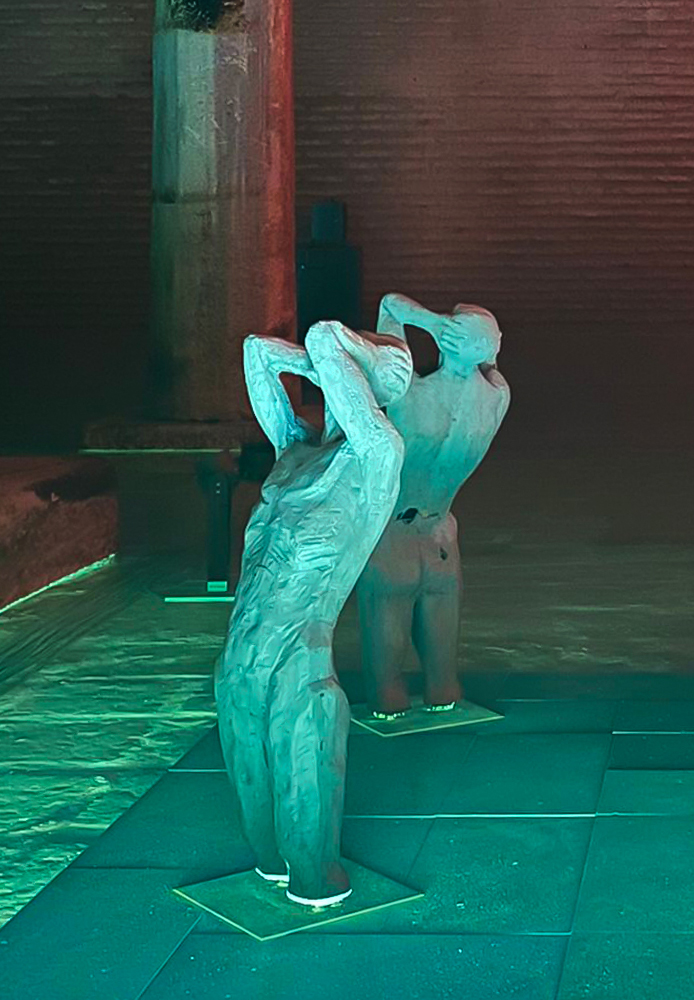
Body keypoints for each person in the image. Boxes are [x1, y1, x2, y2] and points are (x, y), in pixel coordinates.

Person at [215, 321, 413, 907]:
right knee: (257, 810)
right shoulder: (294, 451)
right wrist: (331, 365)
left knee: (306, 802)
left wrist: (341, 357)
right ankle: (274, 864)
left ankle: (315, 877)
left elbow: (326, 337)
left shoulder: (377, 460)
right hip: (239, 656)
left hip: (299, 660)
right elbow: (256, 353)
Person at [355, 294, 511, 717]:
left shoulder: (409, 397)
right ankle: (442, 693)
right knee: (444, 683)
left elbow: (389, 307)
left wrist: (431, 322)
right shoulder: (496, 399)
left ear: (445, 342)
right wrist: (474, 340)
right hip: (441, 532)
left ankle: (388, 702)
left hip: (394, 533)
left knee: (387, 686)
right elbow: (491, 366)